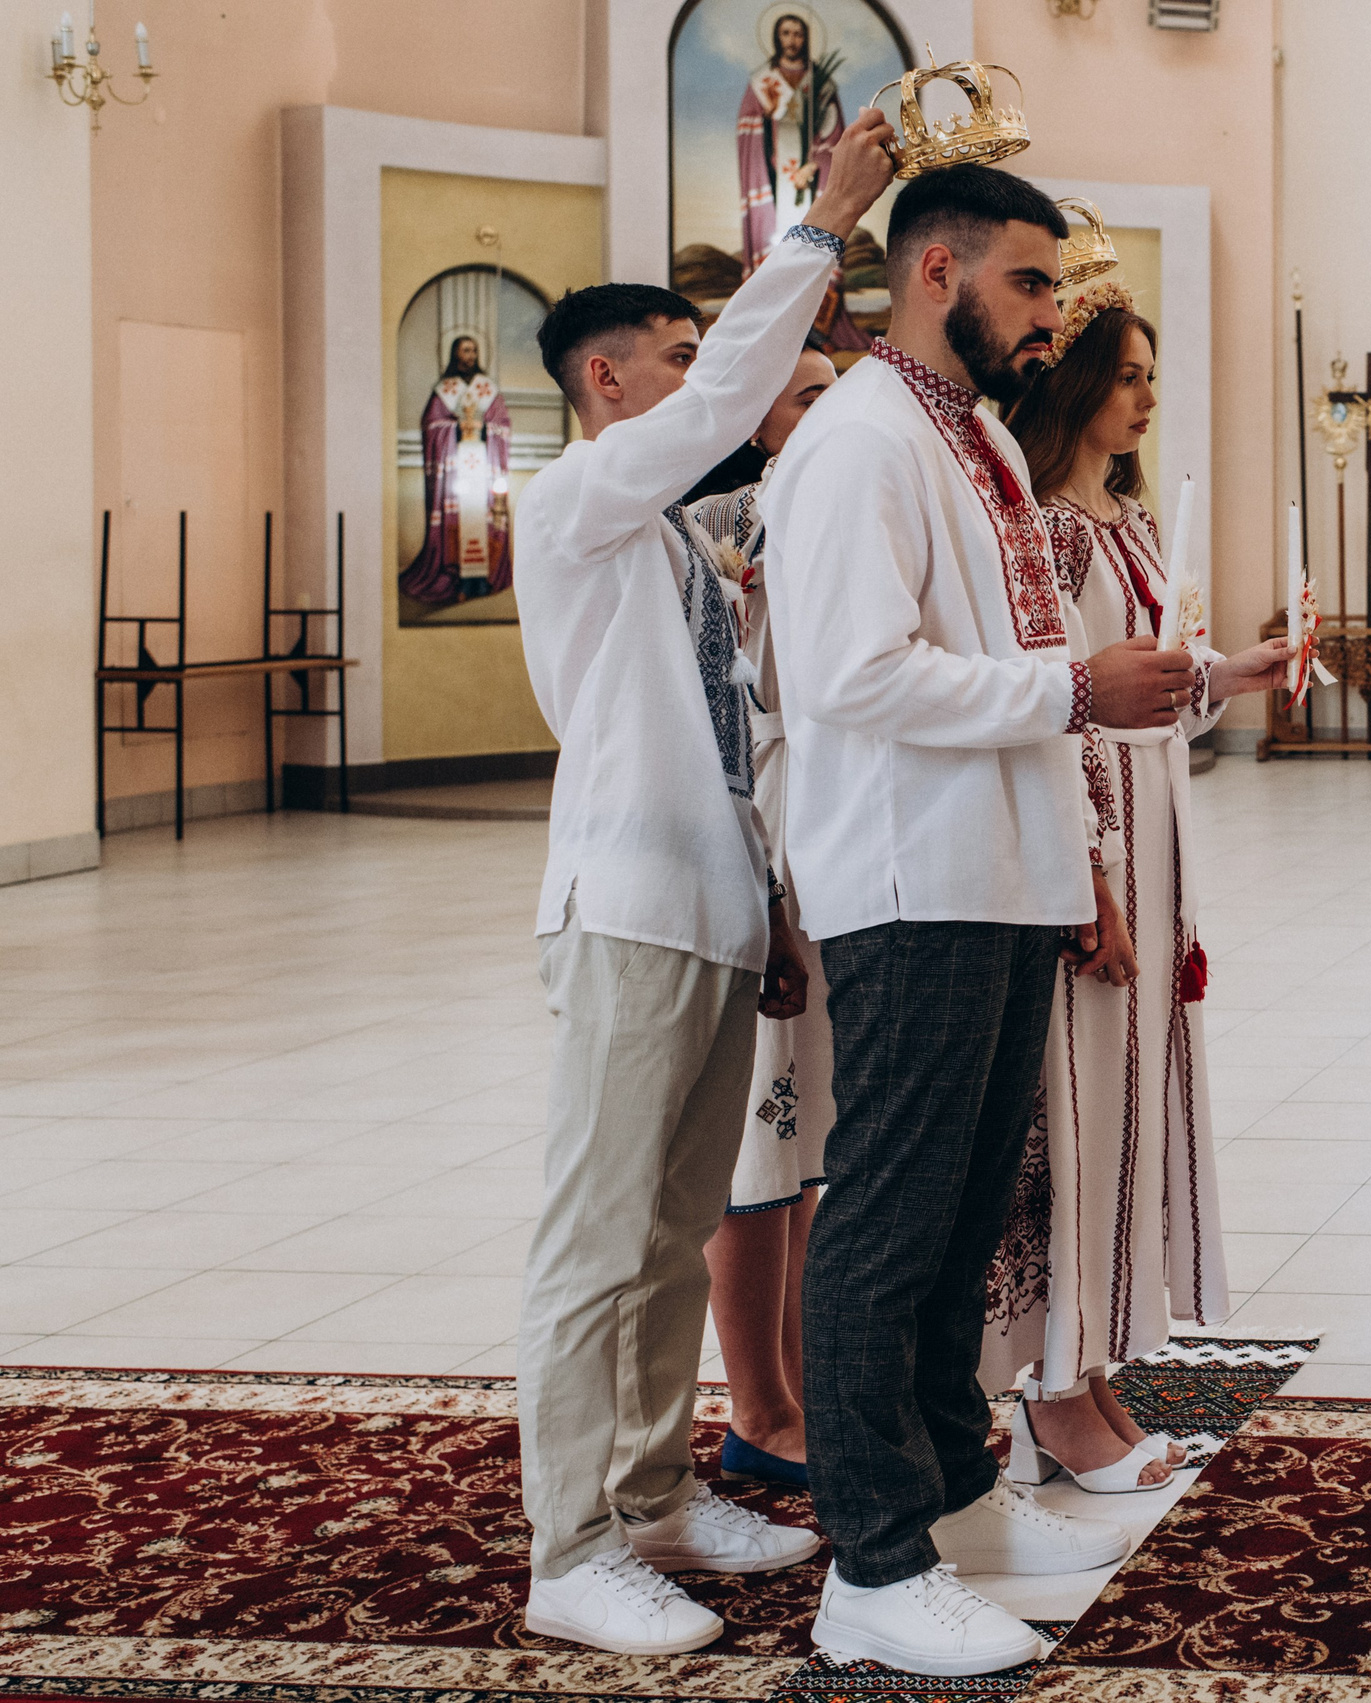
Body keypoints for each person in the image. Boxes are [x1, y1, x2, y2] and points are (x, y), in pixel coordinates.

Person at [762, 164, 1202, 1677]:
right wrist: (1078, 686)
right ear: (935, 271)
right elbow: (851, 675)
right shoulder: (861, 439)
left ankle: (953, 1499)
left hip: (1004, 875)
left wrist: (1078, 850)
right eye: (1028, 281)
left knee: (960, 1226)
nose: (1051, 312)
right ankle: (871, 1564)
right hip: (913, 880)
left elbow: (1009, 650)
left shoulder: (981, 443)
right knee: (889, 1222)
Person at [509, 111, 895, 1657]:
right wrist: (820, 221)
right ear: (606, 382)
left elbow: (731, 742)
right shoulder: (577, 500)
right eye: (677, 360)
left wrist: (769, 909)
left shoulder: (667, 536)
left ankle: (654, 1490)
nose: (706, 381)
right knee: (596, 1238)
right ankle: (567, 1546)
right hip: (623, 913)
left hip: (708, 910)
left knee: (673, 1227)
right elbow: (743, 385)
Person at [981, 284, 1292, 1491]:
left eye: (1151, 374)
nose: (1148, 396)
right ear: (1073, 386)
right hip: (1094, 846)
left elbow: (1155, 680)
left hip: (1153, 841)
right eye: (1128, 375)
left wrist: (1236, 672)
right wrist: (1090, 881)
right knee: (1080, 1106)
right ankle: (1054, 1392)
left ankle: (1095, 1364)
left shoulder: (1126, 517)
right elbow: (1062, 712)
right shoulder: (1049, 530)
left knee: (1129, 1103)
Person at [683, 340, 841, 1491]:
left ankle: (798, 1384)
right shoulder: (715, 529)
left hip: (831, 828)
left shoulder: (839, 507)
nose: (830, 414)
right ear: (756, 420)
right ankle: (757, 1403)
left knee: (810, 1132)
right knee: (756, 1126)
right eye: (807, 397)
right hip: (755, 814)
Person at [399, 334, 513, 608]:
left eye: (473, 351)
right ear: (455, 354)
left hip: (482, 467)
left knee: (484, 520)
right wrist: (456, 428)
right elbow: (431, 425)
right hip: (455, 471)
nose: (470, 356)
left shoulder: (487, 389)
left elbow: (503, 425)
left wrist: (484, 428)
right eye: (465, 351)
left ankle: (482, 580)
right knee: (458, 522)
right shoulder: (445, 390)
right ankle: (459, 580)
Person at [737, 11, 843, 273]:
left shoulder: (820, 82)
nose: (792, 40)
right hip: (775, 174)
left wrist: (813, 164)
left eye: (798, 34)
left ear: (806, 39)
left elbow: (834, 134)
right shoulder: (762, 81)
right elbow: (748, 134)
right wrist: (767, 117)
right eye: (786, 33)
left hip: (811, 175)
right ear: (777, 37)